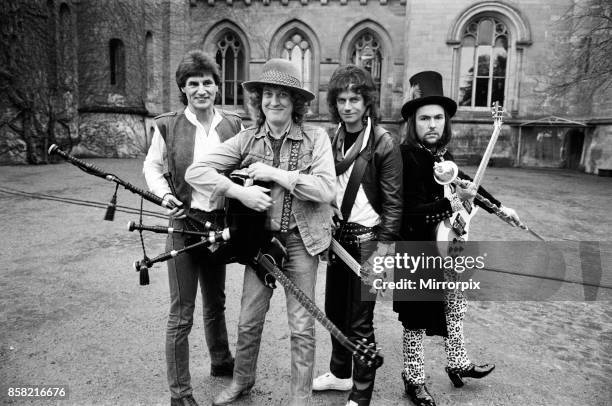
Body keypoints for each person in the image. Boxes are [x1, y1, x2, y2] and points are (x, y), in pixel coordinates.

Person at [185, 58, 335, 406]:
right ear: (259, 99)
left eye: (283, 94)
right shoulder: (246, 138)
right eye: (268, 94)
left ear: (296, 102)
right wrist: (239, 191)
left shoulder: (316, 138)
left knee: (301, 326)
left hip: (301, 242)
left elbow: (326, 190)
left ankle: (300, 399)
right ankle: (242, 382)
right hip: (260, 245)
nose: (274, 101)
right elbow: (197, 171)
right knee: (249, 321)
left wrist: (276, 173)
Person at [394, 71, 521, 406]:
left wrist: (499, 209)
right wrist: (448, 202)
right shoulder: (405, 157)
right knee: (416, 318)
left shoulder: (441, 157)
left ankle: (457, 363)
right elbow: (407, 211)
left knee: (455, 306)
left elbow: (470, 185)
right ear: (413, 122)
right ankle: (414, 378)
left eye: (438, 117)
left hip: (448, 246)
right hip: (417, 249)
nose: (432, 124)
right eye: (424, 118)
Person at [143, 50, 242, 406]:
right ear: (183, 90)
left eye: (207, 83)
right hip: (184, 224)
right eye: (193, 84)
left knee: (216, 302)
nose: (201, 89)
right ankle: (180, 393)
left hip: (218, 226)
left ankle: (220, 359)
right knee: (181, 313)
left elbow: (243, 169)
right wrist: (165, 195)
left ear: (217, 87)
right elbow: (152, 168)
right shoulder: (168, 125)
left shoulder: (233, 124)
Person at [311, 65, 402, 406]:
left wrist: (386, 246)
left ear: (367, 103)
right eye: (342, 100)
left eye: (355, 99)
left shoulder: (383, 142)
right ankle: (339, 373)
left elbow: (394, 200)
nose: (348, 106)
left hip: (369, 243)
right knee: (335, 311)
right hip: (337, 238)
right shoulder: (329, 138)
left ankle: (361, 395)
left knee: (361, 320)